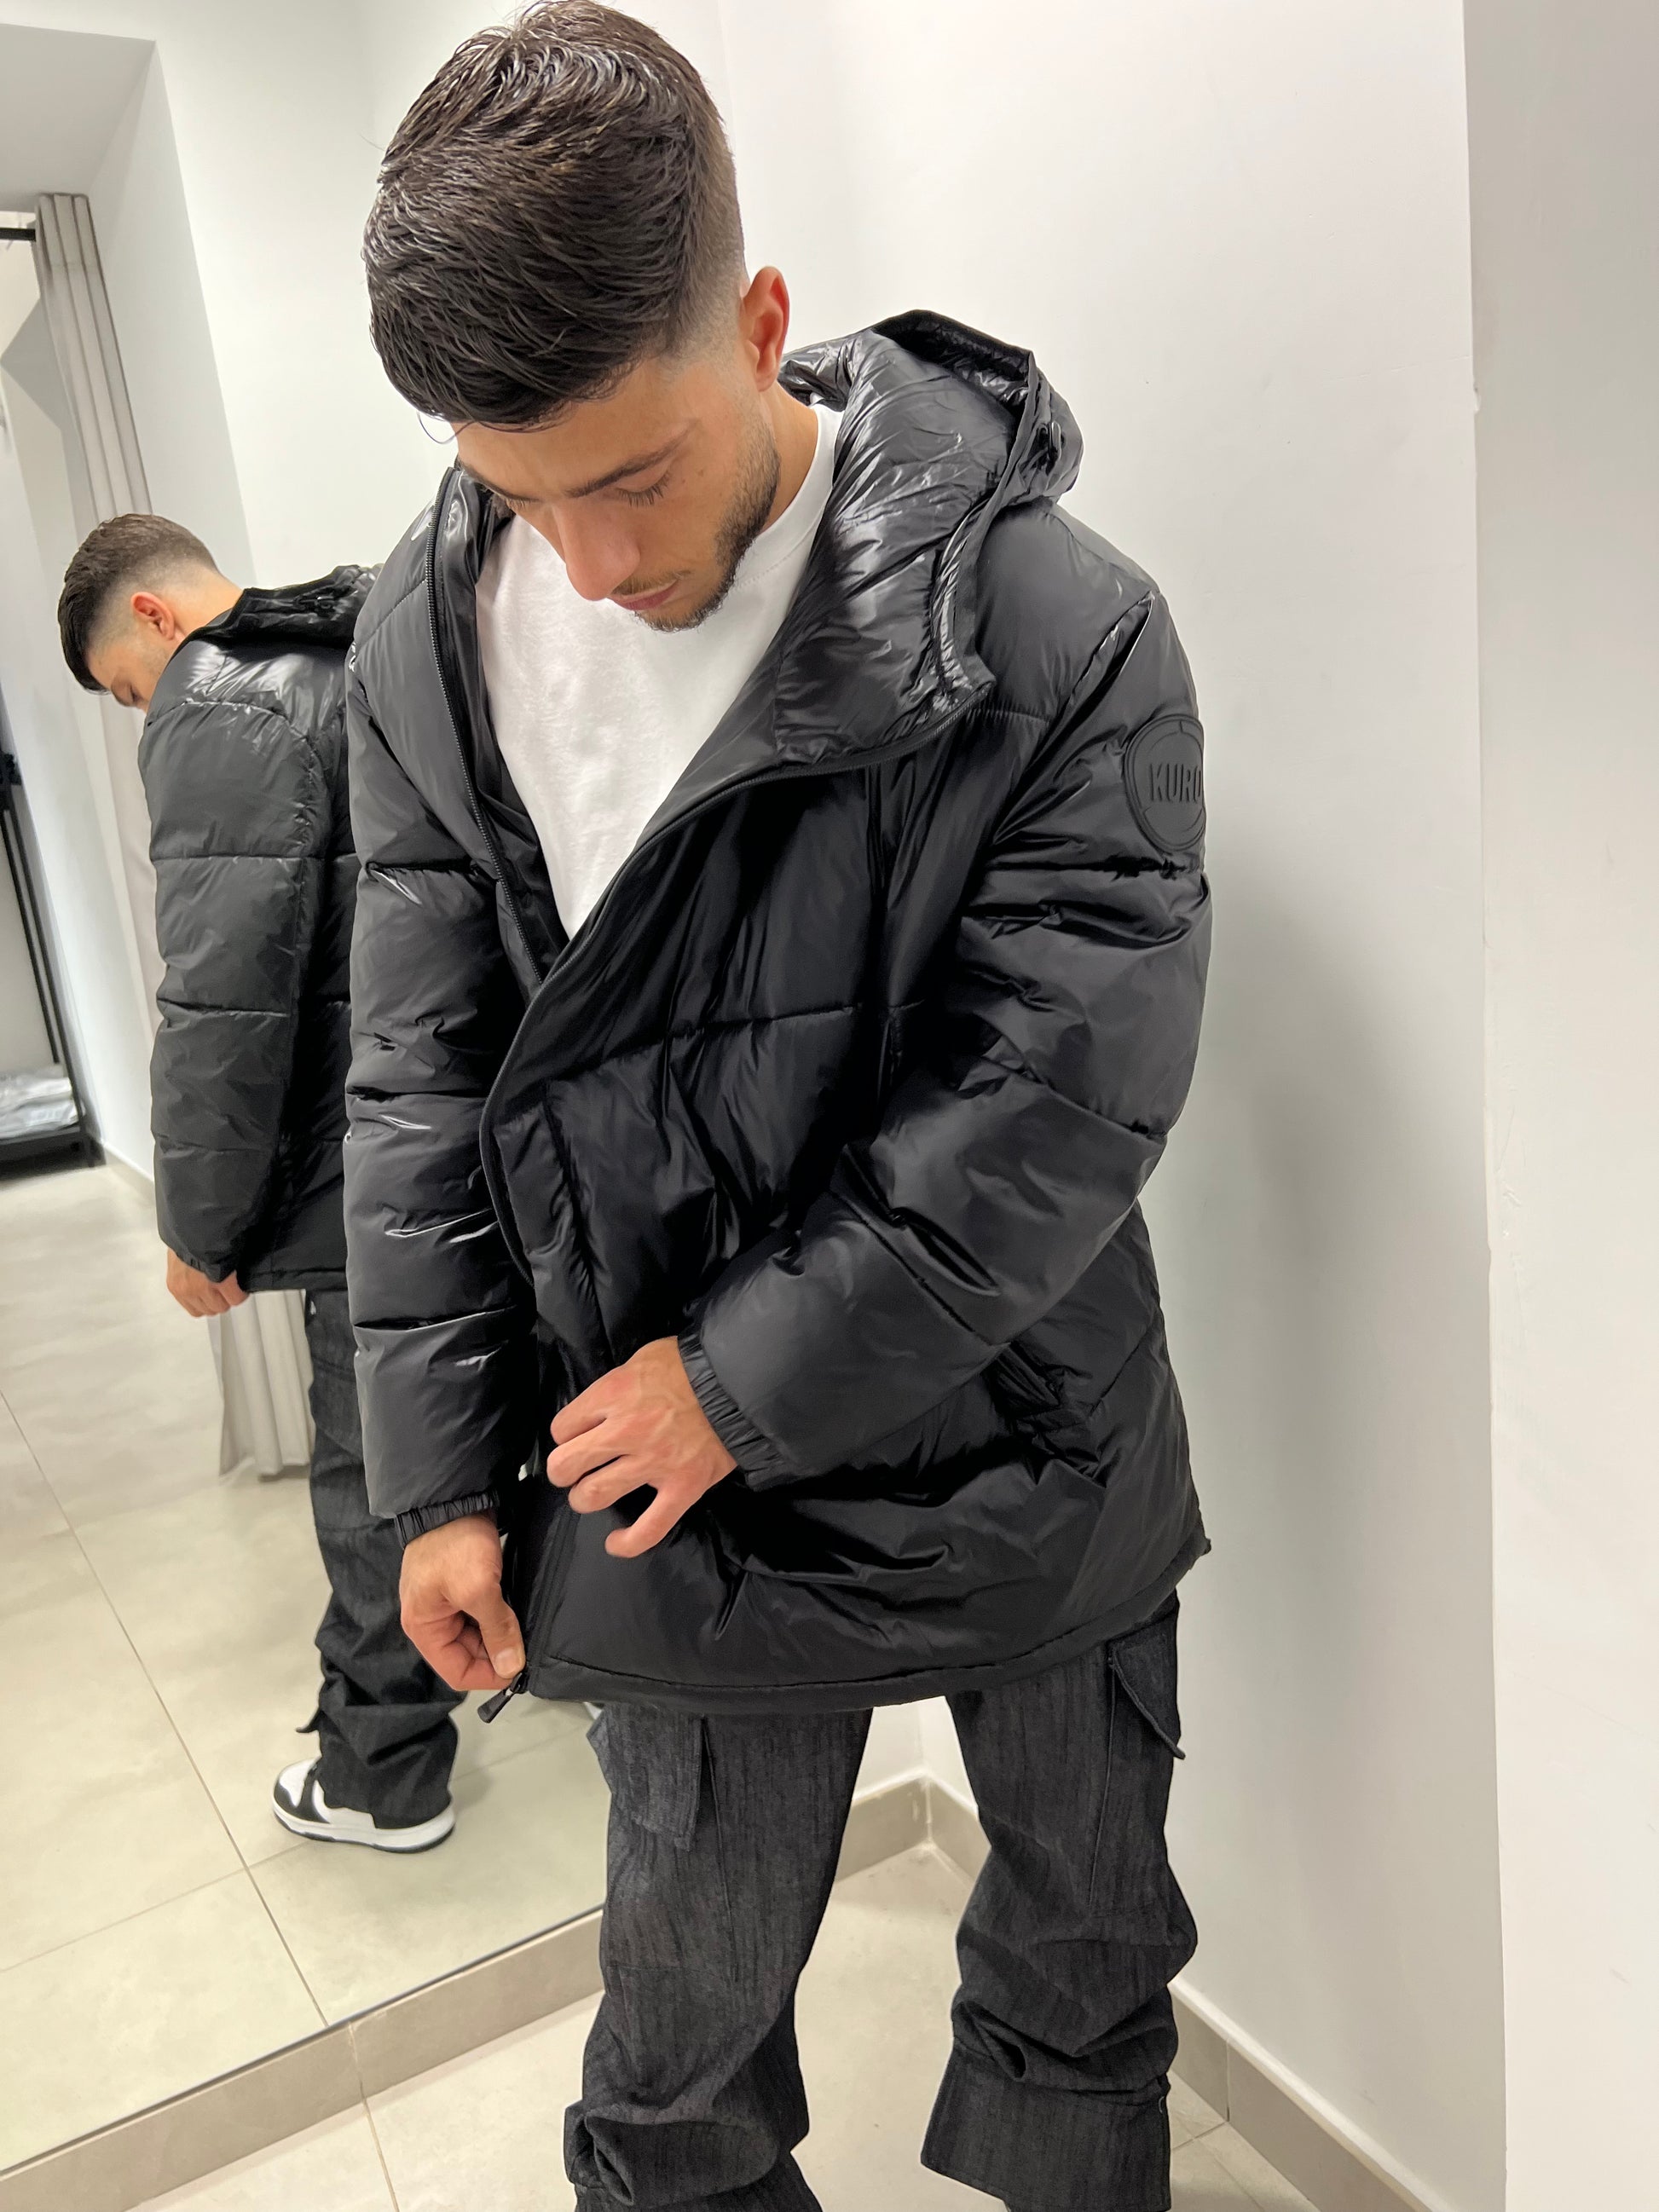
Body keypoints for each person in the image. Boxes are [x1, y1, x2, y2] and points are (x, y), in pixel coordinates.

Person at [350, 3, 1211, 2204]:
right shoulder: (424, 642)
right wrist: (435, 1484)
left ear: (759, 327)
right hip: (667, 1481)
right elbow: (418, 1080)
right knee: (672, 2069)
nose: (588, 565)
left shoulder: (1061, 624)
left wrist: (737, 1380)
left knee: (1087, 1965)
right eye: (517, 493)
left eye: (632, 476)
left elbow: (1059, 1082)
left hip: (1024, 1421)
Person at [56, 515, 461, 1854]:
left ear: (153, 618)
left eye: (126, 689)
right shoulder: (377, 640)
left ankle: (382, 1775)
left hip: (362, 1167)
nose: (142, 710)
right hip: (477, 1126)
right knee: (480, 1426)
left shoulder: (218, 696)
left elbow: (224, 1001)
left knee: (375, 1469)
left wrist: (199, 1225)